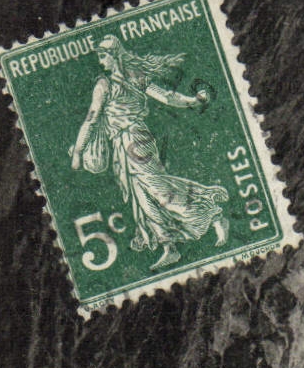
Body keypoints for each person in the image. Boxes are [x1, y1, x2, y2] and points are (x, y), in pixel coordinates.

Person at [69, 34, 229, 270]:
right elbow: (93, 119)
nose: (101, 61)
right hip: (122, 147)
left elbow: (93, 119)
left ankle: (213, 214)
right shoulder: (118, 80)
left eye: (103, 55)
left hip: (135, 141)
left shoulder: (115, 82)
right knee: (142, 197)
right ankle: (169, 247)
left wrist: (78, 152)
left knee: (160, 190)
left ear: (115, 56)